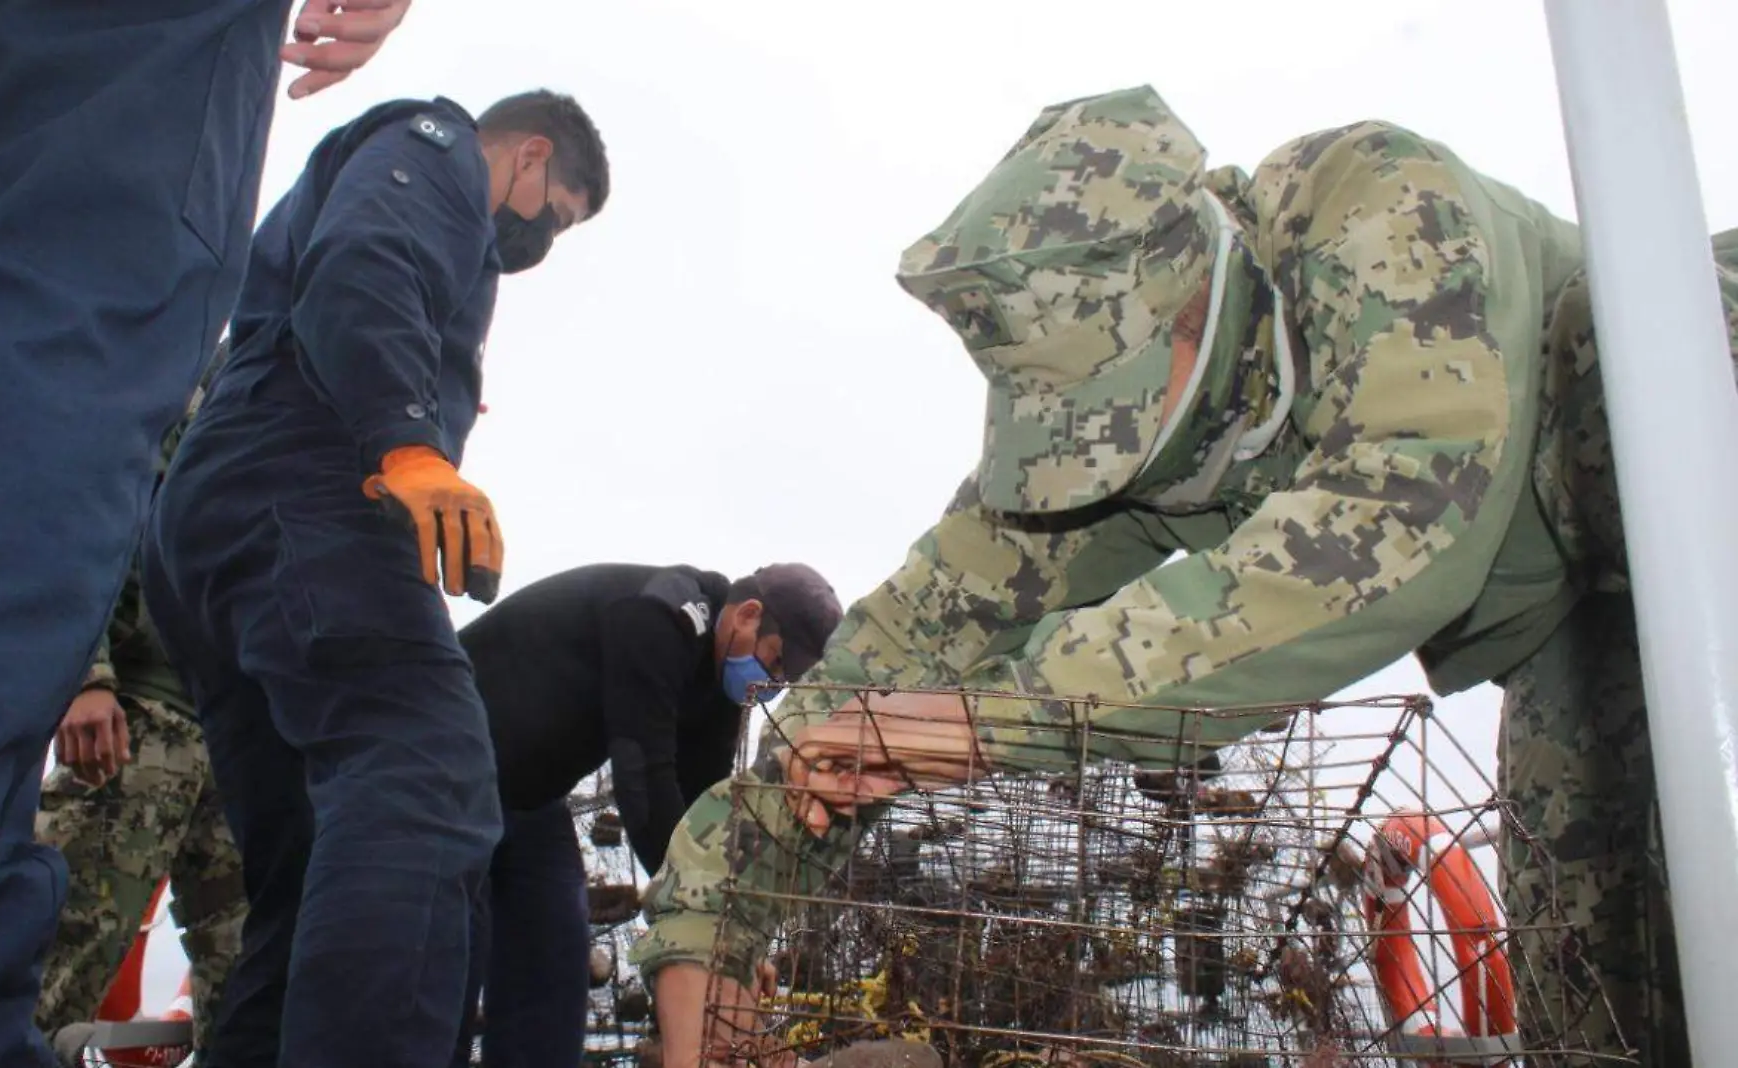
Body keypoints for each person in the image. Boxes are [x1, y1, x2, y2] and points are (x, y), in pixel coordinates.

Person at [630, 86, 1738, 1068]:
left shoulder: (1377, 206)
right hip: (1580, 640)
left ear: (1196, 301)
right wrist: (708, 935)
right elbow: (889, 662)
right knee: (1594, 983)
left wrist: (988, 720)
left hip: (1699, 519)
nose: (1097, 456)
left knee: (1621, 353)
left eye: (1106, 418)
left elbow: (1389, 534)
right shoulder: (1123, 461)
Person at [0, 2, 409, 1063]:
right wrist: (91, 673)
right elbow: (59, 455)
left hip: (205, 737)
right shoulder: (219, 403)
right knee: (71, 332)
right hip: (129, 712)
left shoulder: (328, 470)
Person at [141, 90, 610, 1068]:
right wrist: (408, 445)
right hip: (303, 488)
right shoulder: (429, 150)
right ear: (529, 156)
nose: (540, 241)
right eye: (554, 214)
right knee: (428, 765)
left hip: (226, 526)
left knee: (309, 861)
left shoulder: (434, 209)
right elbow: (365, 265)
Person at [454, 562, 844, 1067]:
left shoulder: (721, 683)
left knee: (553, 963)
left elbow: (700, 816)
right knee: (447, 966)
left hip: (529, 798)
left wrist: (735, 933)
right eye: (774, 663)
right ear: (748, 615)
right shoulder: (660, 616)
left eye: (784, 679)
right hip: (446, 770)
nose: (771, 685)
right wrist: (697, 913)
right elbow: (642, 780)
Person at [35, 348, 243, 1061]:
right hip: (139, 717)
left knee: (249, 973)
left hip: (241, 742)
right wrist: (87, 674)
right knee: (61, 949)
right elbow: (99, 519)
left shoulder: (303, 446)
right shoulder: (191, 404)